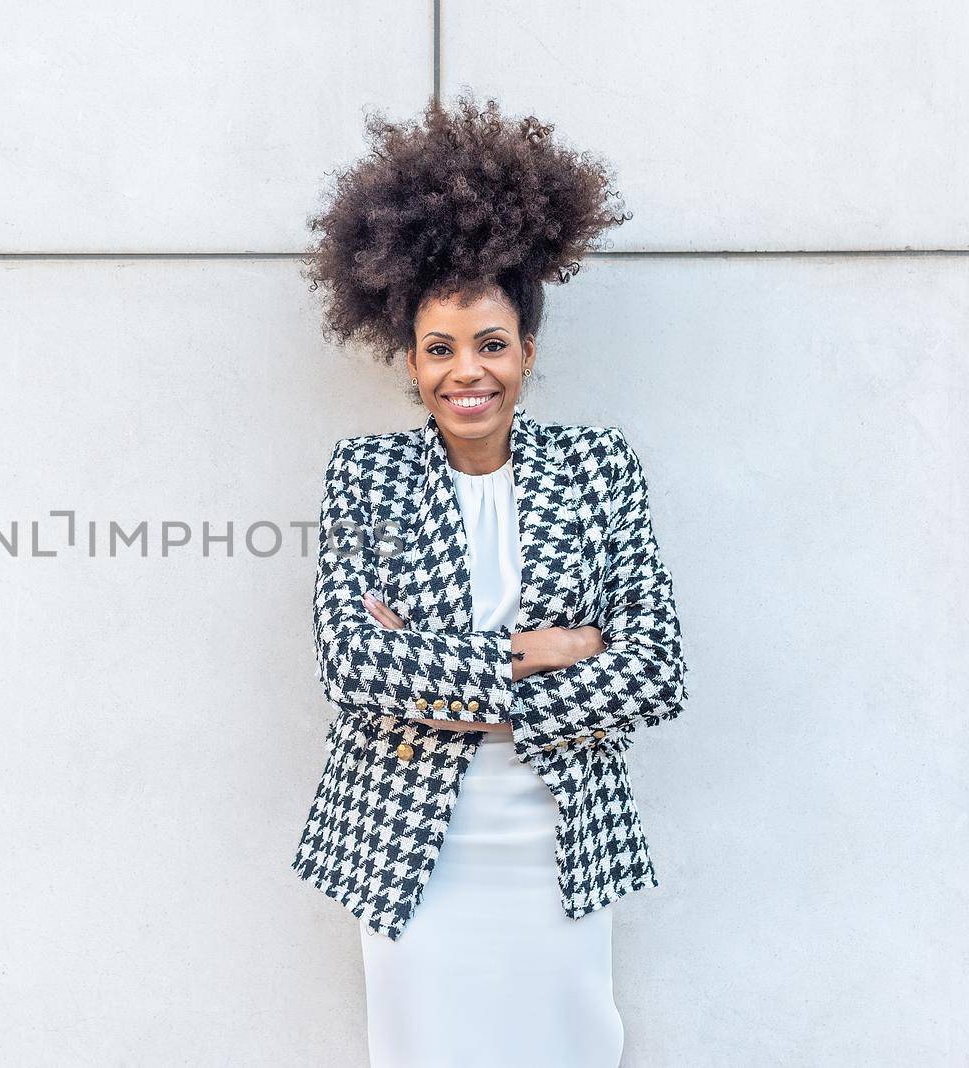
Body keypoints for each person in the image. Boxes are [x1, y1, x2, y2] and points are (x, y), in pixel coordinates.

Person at [289, 92, 690, 1066]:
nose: (465, 371)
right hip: (410, 850)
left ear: (526, 351)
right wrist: (558, 652)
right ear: (412, 360)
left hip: (556, 846)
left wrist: (440, 672)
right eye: (439, 349)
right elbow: (353, 668)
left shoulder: (598, 466)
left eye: (490, 344)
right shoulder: (366, 475)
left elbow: (659, 671)